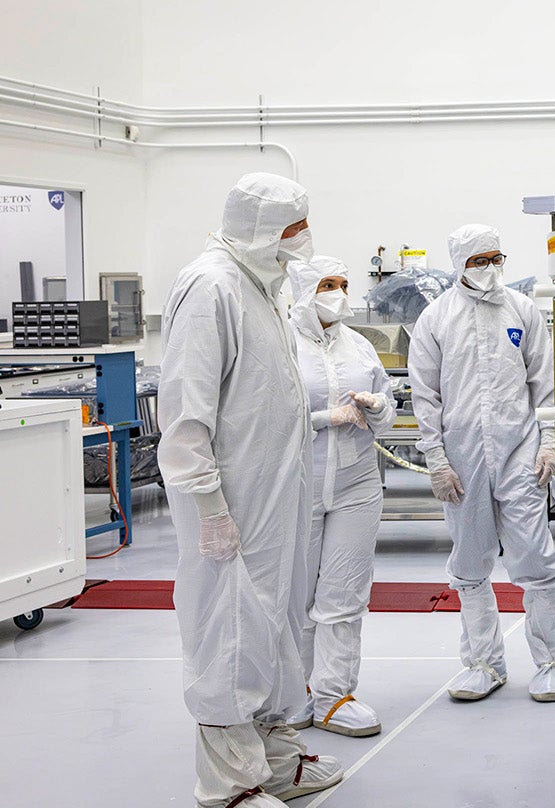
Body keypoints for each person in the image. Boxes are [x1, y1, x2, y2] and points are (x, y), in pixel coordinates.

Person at [157, 173, 344, 808]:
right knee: (230, 631)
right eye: (291, 231)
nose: (301, 243)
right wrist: (208, 503)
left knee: (276, 626)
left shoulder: (258, 284)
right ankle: (228, 784)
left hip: (273, 500)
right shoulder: (211, 287)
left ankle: (275, 759)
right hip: (230, 504)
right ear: (259, 229)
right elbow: (186, 410)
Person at [410, 223, 555, 703]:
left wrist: (549, 442)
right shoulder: (436, 319)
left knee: (535, 556)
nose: (490, 268)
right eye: (479, 260)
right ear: (459, 264)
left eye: (496, 258)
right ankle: (483, 662)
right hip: (461, 457)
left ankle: (553, 661)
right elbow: (425, 396)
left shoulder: (522, 310)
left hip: (519, 451)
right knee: (469, 559)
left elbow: (545, 385)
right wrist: (436, 459)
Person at [285, 256, 396, 737]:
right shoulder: (280, 344)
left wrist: (378, 407)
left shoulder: (358, 345)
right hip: (297, 484)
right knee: (295, 595)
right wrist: (325, 418)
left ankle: (334, 695)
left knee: (345, 594)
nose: (339, 294)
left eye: (344, 285)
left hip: (356, 485)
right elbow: (265, 418)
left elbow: (387, 408)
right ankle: (294, 690)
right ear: (303, 290)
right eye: (328, 285)